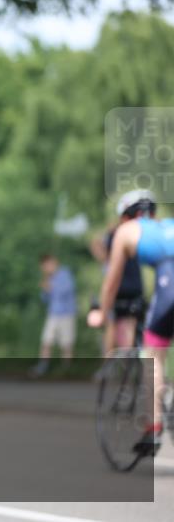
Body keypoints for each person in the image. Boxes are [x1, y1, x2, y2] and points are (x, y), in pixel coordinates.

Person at [88, 189, 172, 455]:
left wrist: (102, 312)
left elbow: (112, 280)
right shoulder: (167, 225)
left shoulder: (126, 231)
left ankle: (154, 428)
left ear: (125, 216)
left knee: (153, 355)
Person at [88, 197, 147, 354]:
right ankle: (125, 365)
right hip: (133, 286)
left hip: (119, 287)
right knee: (127, 326)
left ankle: (109, 364)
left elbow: (94, 243)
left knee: (111, 324)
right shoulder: (137, 231)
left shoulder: (115, 234)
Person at [30, 253, 77, 377]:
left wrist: (52, 287)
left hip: (66, 313)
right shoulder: (48, 278)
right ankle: (43, 367)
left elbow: (68, 289)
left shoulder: (65, 274)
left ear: (54, 262)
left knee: (66, 343)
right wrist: (45, 289)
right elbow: (45, 299)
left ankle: (66, 369)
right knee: (46, 340)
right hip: (53, 314)